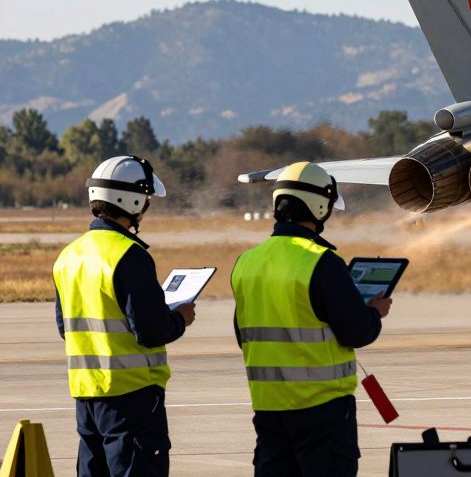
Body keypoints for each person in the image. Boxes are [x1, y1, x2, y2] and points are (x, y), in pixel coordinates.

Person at [231, 161, 392, 477]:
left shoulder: (246, 262)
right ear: (320, 206)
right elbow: (357, 332)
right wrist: (374, 312)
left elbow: (244, 336)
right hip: (321, 411)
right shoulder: (322, 261)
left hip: (268, 408)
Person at [53, 156, 196, 477]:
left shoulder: (69, 256)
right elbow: (150, 331)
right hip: (131, 397)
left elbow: (66, 328)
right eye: (144, 198)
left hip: (87, 396)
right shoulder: (129, 255)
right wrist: (180, 319)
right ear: (130, 201)